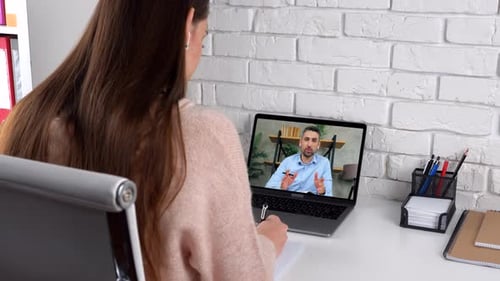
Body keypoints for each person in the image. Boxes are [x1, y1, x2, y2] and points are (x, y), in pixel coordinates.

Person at [0, 1, 288, 281]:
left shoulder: (28, 119)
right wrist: (267, 243)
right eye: (205, 35)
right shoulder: (199, 137)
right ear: (187, 27)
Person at [265, 126, 333, 196]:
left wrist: (322, 192)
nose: (309, 144)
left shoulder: (324, 163)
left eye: (314, 140)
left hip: (311, 203)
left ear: (318, 145)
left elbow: (329, 195)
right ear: (300, 142)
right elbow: (269, 187)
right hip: (289, 200)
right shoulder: (287, 161)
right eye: (306, 139)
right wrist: (282, 188)